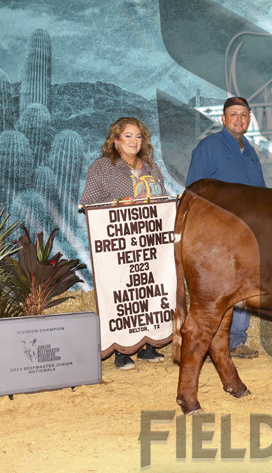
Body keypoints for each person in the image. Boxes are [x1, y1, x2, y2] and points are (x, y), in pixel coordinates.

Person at [81, 117, 167, 370]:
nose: (134, 141)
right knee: (122, 294)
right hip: (118, 242)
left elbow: (161, 195)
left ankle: (146, 347)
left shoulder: (150, 166)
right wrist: (117, 204)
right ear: (116, 141)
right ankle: (121, 349)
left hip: (148, 240)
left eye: (138, 136)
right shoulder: (102, 167)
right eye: (128, 136)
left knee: (148, 289)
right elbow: (88, 202)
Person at [185, 97, 264, 359]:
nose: (238, 119)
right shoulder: (208, 148)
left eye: (243, 114)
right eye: (233, 114)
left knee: (243, 289)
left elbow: (262, 194)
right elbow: (193, 192)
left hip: (248, 235)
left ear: (249, 120)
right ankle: (208, 343)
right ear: (223, 119)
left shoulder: (250, 151)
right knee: (216, 291)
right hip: (218, 237)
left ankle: (236, 342)